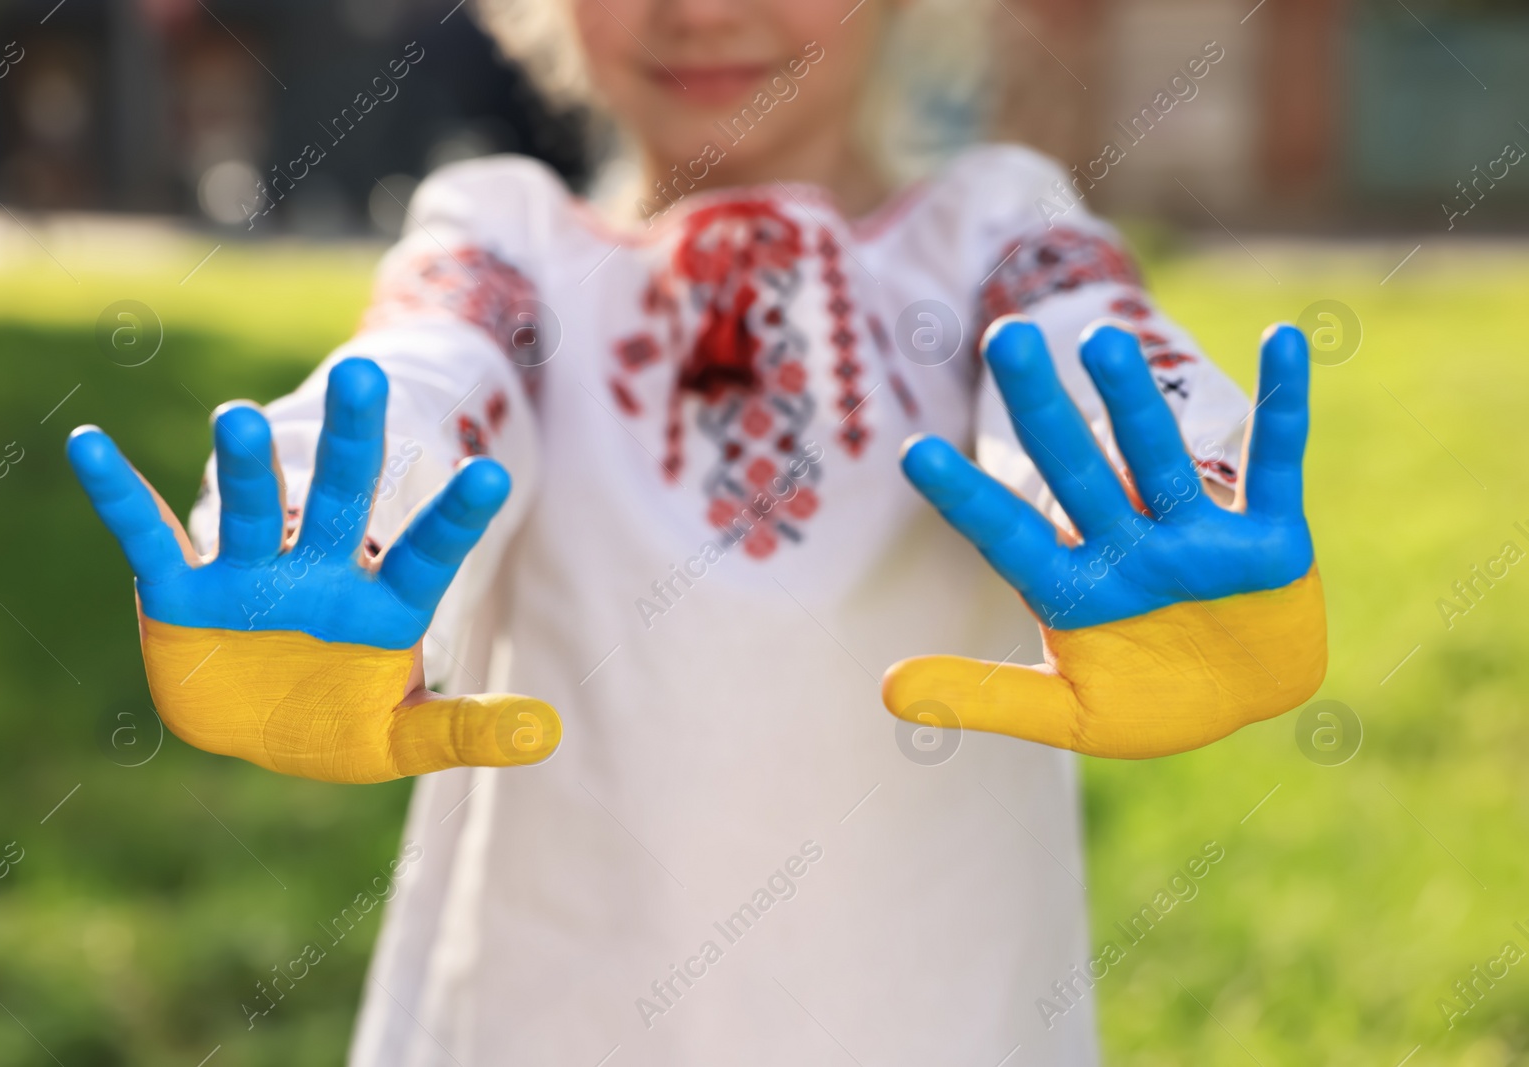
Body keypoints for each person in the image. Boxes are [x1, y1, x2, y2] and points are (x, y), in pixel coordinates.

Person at [67, 0, 1325, 1063]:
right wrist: (305, 534)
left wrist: (1180, 507)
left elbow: (1077, 341)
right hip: (547, 1001)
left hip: (932, 994)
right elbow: (427, 368)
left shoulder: (993, 237)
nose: (699, 8)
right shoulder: (509, 246)